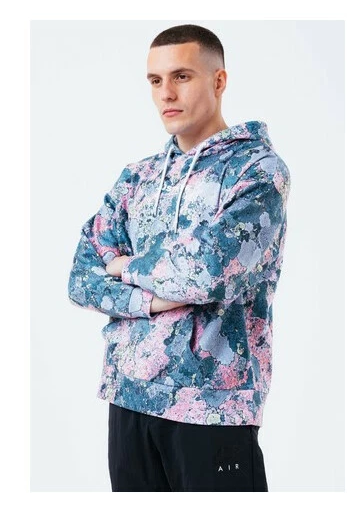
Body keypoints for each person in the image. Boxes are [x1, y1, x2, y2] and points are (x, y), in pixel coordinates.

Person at [67, 24, 291, 492]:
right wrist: (149, 301)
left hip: (213, 407)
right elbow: (82, 278)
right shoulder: (138, 178)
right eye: (155, 80)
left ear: (218, 80)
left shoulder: (256, 172)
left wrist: (125, 266)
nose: (165, 93)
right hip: (128, 397)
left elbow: (206, 273)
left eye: (181, 76)